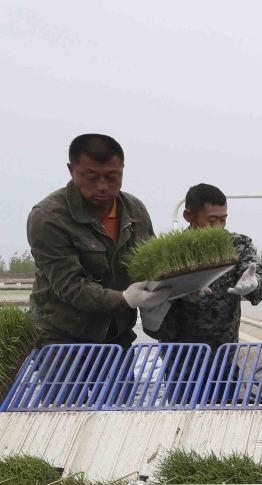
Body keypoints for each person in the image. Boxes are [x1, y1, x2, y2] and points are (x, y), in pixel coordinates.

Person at [27, 134, 169, 348]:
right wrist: (124, 299)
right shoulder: (48, 217)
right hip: (63, 341)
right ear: (72, 170)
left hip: (119, 338)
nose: (103, 186)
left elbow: (152, 266)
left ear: (122, 169)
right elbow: (70, 285)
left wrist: (182, 285)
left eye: (112, 177)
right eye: (92, 177)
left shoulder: (135, 210)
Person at [148, 183, 262, 350]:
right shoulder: (169, 251)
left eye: (223, 220)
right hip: (178, 354)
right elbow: (151, 302)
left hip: (223, 352)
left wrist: (254, 284)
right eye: (212, 220)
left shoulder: (237, 245)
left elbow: (257, 276)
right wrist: (178, 293)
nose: (218, 226)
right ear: (188, 216)